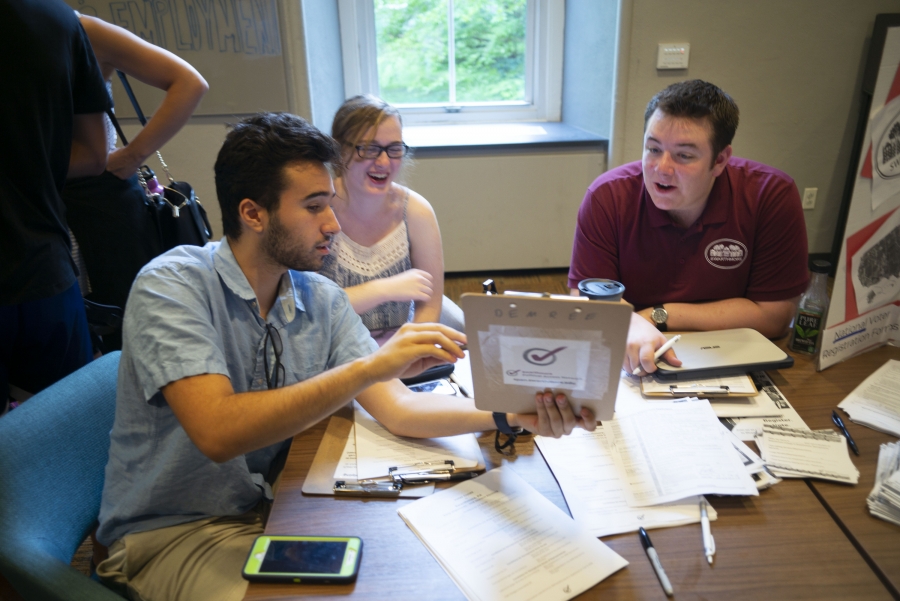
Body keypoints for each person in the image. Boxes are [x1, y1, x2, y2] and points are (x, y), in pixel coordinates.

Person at [96, 112, 594, 601]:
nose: (333, 223)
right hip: (173, 534)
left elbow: (401, 408)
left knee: (412, 575)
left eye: (330, 203)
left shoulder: (319, 296)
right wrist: (370, 367)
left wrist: (508, 412)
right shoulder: (172, 284)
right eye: (314, 207)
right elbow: (218, 431)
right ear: (253, 213)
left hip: (267, 509)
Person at [568, 80, 809, 375]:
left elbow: (775, 317)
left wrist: (656, 316)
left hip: (730, 353)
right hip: (633, 354)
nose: (662, 169)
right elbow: (589, 304)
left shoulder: (770, 195)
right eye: (653, 149)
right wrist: (630, 323)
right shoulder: (608, 197)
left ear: (720, 160)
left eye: (684, 155)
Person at [63, 13, 208, 351]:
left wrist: (132, 156)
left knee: (130, 335)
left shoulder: (84, 31)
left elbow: (189, 82)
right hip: (38, 209)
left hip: (105, 203)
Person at [0, 0, 111, 410]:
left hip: (40, 270)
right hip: (43, 268)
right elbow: (94, 154)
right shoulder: (59, 19)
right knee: (70, 438)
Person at [320, 95, 464, 345]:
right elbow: (306, 312)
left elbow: (429, 309)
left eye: (394, 149)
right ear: (339, 150)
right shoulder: (317, 211)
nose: (384, 162)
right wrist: (384, 289)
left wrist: (404, 354)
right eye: (369, 148)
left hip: (399, 352)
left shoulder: (416, 211)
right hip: (332, 358)